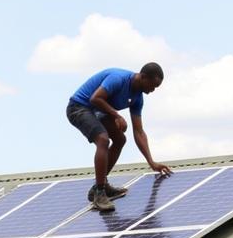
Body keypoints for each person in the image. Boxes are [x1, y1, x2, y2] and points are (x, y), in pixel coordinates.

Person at [66, 64, 172, 213]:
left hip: (97, 111)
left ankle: (99, 186)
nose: (152, 91)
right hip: (79, 107)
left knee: (120, 139)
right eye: (152, 86)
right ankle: (100, 193)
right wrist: (116, 115)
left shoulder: (137, 99)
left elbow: (139, 131)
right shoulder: (118, 79)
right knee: (103, 140)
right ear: (143, 77)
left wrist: (151, 162)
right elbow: (95, 98)